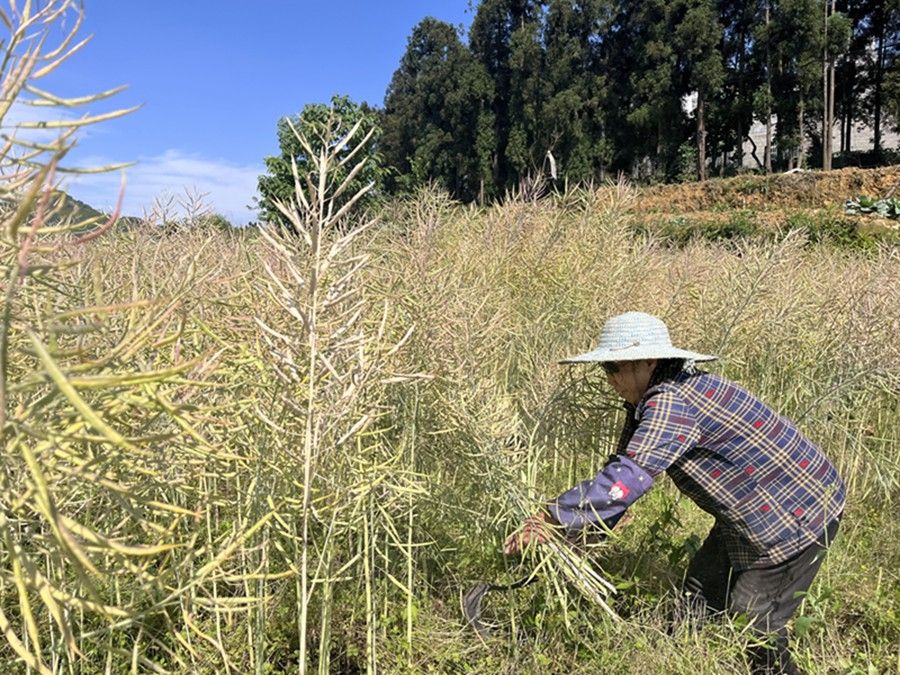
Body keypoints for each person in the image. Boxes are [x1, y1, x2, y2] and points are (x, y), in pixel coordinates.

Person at [504, 311, 845, 675]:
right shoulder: (659, 395)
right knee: (700, 591)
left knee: (754, 622)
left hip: (797, 513)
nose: (610, 379)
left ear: (649, 361)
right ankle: (688, 662)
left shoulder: (671, 402)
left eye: (614, 367)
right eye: (605, 368)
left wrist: (551, 518)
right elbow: (625, 467)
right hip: (759, 506)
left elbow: (628, 478)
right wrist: (591, 526)